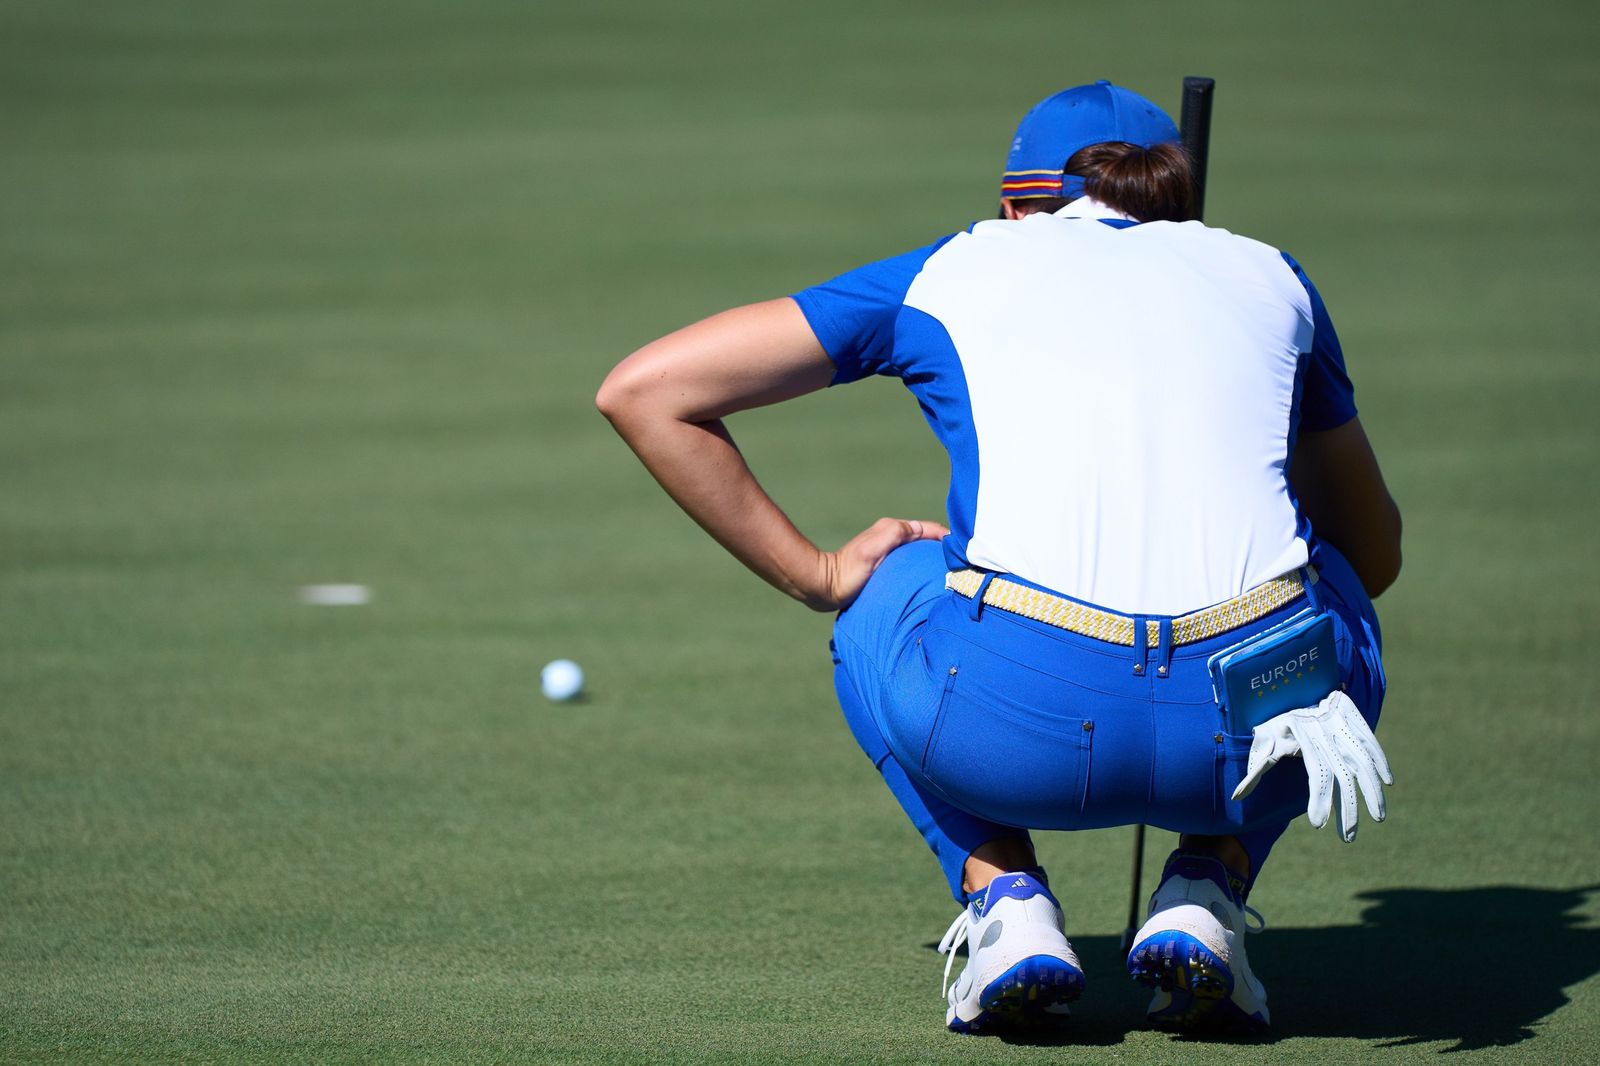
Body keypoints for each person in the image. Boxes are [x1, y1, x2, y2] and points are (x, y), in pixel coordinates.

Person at [596, 81, 1401, 1037]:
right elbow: (1373, 552)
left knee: (888, 585)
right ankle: (1209, 888)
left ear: (1017, 206)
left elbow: (644, 391)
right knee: (1331, 594)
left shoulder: (953, 267)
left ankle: (1005, 902)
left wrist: (817, 574)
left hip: (1013, 728)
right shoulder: (1273, 276)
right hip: (1243, 743)